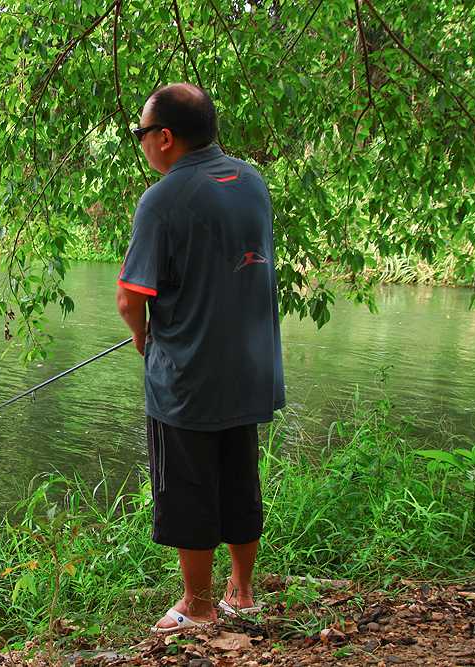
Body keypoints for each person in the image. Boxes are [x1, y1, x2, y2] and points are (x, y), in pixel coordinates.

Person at [115, 83, 285, 631]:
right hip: (249, 370)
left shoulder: (162, 199)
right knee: (239, 477)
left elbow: (129, 298)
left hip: (187, 379)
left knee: (188, 490)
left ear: (165, 138)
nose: (141, 142)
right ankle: (243, 591)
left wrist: (145, 340)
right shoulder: (252, 182)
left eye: (141, 133)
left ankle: (200, 605)